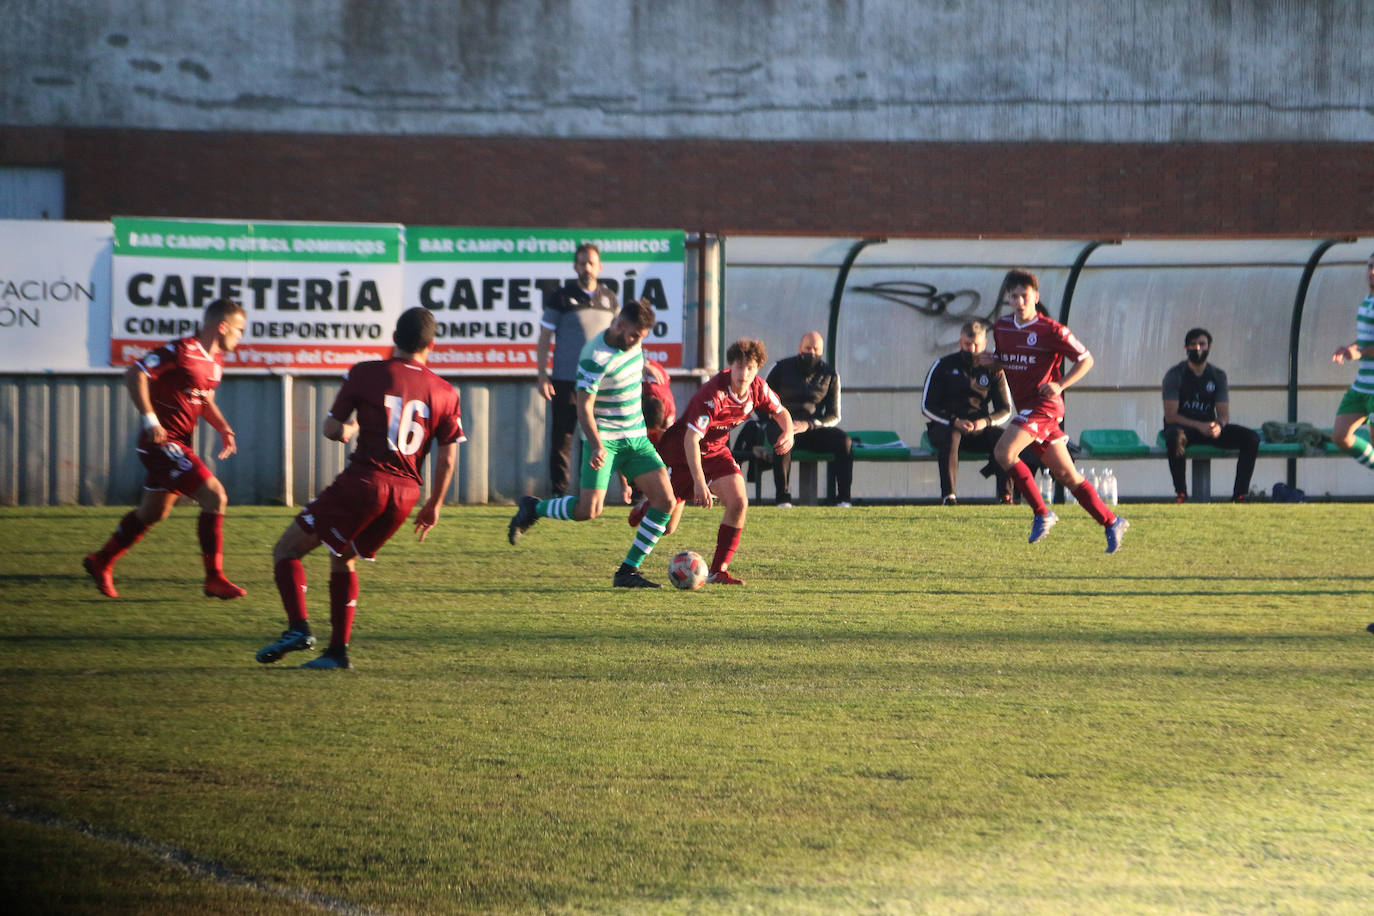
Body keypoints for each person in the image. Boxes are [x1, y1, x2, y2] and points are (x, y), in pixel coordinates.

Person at [256, 307, 464, 669]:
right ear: (431, 344)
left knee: (286, 551)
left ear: (395, 338)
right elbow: (447, 459)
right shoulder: (446, 391)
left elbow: (330, 428)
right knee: (344, 557)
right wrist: (435, 504)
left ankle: (298, 628)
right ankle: (337, 653)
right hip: (406, 496)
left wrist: (347, 431)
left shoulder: (366, 374)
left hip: (365, 482)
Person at [83, 298, 249, 600]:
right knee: (215, 495)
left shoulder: (216, 362)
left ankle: (101, 560)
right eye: (238, 330)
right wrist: (150, 421)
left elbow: (204, 397)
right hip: (161, 443)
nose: (240, 337)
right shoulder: (181, 350)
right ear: (222, 326)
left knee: (153, 512)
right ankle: (214, 578)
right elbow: (135, 373)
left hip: (179, 444)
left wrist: (223, 426)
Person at [508, 299, 677, 588]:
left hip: (636, 439)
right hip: (605, 442)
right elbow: (584, 408)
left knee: (665, 501)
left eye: (642, 337)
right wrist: (598, 445)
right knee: (589, 511)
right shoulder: (594, 356)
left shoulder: (632, 345)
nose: (637, 341)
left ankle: (627, 571)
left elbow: (629, 377)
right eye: (635, 335)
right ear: (619, 324)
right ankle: (533, 508)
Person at [983, 269, 1128, 553]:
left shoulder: (1052, 330)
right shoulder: (1001, 328)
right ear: (1009, 300)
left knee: (1004, 453)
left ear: (1035, 297)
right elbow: (1008, 361)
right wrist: (993, 362)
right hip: (1027, 409)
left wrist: (1060, 384)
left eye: (1025, 296)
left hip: (1045, 407)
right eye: (1014, 297)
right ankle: (1112, 521)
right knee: (1066, 475)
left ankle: (1042, 513)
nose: (1020, 301)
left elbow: (1086, 360)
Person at [630, 338, 794, 584]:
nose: (744, 373)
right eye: (739, 367)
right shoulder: (713, 394)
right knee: (667, 527)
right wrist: (698, 482)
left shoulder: (758, 388)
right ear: (730, 366)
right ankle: (645, 508)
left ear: (757, 368)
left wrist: (788, 432)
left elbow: (781, 412)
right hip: (682, 453)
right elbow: (690, 440)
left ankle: (719, 571)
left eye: (750, 368)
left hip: (716, 451)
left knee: (739, 502)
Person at [536, 242, 619, 497]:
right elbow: (544, 337)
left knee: (594, 437)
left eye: (591, 262)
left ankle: (589, 490)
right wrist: (542, 374)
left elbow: (619, 338)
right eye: (582, 262)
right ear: (575, 266)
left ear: (600, 266)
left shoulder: (609, 298)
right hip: (565, 380)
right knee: (563, 437)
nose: (587, 267)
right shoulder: (560, 297)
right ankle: (559, 492)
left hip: (599, 383)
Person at [921, 319, 1016, 504]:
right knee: (952, 436)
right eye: (967, 344)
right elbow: (927, 406)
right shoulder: (943, 365)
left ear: (985, 344)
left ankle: (1005, 495)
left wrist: (985, 422)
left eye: (976, 345)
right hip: (946, 426)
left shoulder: (994, 369)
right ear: (960, 343)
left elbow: (1005, 409)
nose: (972, 349)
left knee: (1004, 439)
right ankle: (949, 496)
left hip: (978, 427)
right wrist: (953, 421)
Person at [1161, 327, 1260, 502]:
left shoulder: (1218, 375)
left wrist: (1219, 426)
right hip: (1184, 429)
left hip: (1208, 428)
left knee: (1251, 438)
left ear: (1209, 347)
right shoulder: (1175, 375)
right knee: (1174, 437)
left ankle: (1240, 495)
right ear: (1186, 348)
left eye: (1202, 344)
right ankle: (1181, 494)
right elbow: (1171, 416)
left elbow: (1223, 414)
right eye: (1193, 344)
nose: (1198, 348)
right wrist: (1199, 425)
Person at [764, 331, 853, 507]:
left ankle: (844, 499)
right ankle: (783, 499)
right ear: (799, 348)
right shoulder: (780, 368)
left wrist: (809, 424)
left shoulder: (830, 374)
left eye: (815, 349)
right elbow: (762, 399)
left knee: (844, 442)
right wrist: (781, 423)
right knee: (783, 440)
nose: (811, 352)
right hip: (783, 425)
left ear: (821, 352)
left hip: (813, 430)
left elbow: (834, 415)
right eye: (807, 348)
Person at [1330, 251, 1374, 472]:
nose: (1372, 272)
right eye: (1369, 267)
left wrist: (1360, 353)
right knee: (1340, 436)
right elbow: (1366, 340)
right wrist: (1350, 348)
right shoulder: (1368, 301)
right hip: (1361, 387)